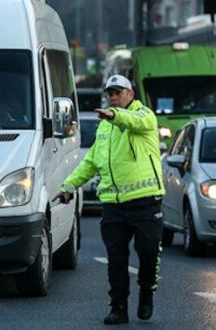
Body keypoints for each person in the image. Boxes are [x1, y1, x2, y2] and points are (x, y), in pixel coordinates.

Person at [53, 75, 166, 325]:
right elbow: (91, 161)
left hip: (145, 202)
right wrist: (69, 186)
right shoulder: (104, 127)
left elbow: (135, 122)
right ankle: (118, 307)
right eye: (110, 93)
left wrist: (115, 116)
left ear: (130, 94)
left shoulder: (144, 115)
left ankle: (146, 292)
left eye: (118, 92)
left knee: (148, 254)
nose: (113, 97)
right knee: (116, 260)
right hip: (113, 206)